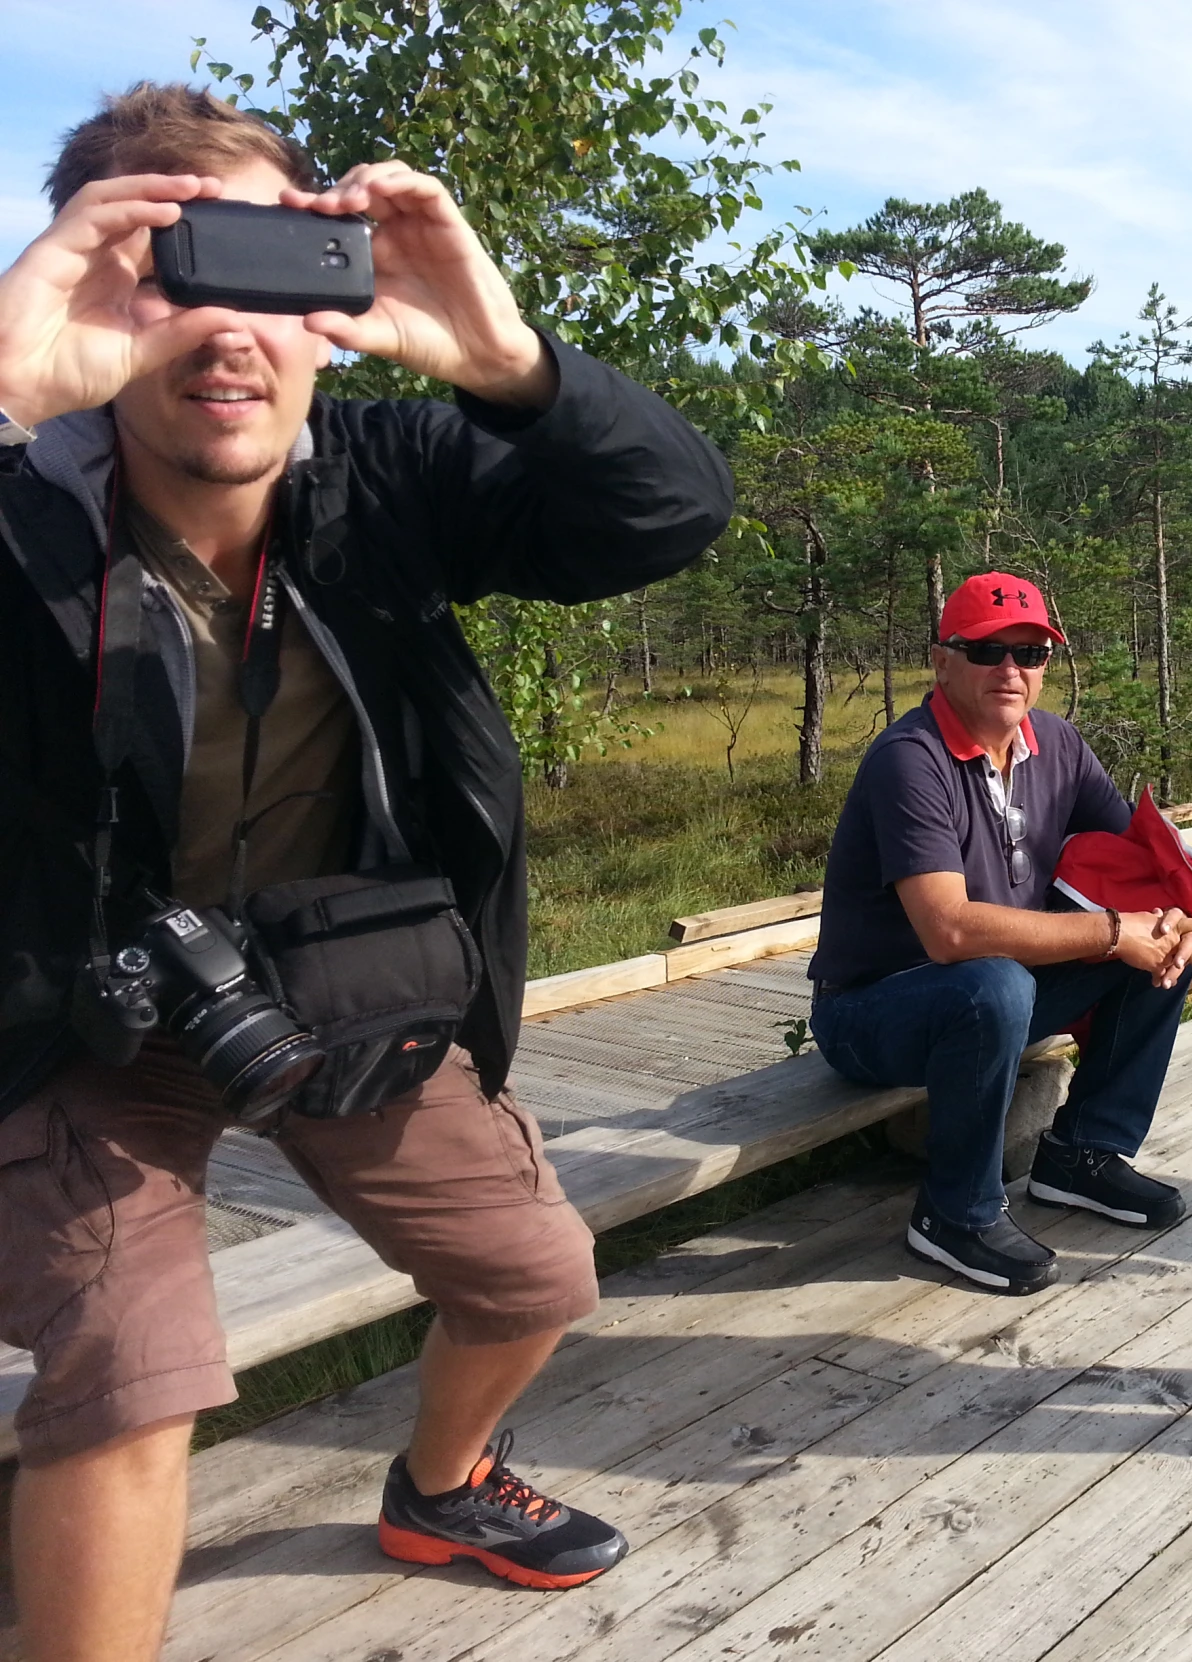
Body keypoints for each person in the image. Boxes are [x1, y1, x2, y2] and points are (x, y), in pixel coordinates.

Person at [0, 84, 733, 1658]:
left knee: (536, 1268)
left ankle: (441, 1481)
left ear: (331, 315)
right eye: (167, 268)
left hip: (332, 979)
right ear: (85, 288)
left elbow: (670, 511)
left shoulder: (385, 479)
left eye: (268, 275)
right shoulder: (16, 504)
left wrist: (512, 366)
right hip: (81, 1017)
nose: (224, 330)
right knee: (137, 1368)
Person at [808, 571, 1192, 1296]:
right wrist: (1114, 928)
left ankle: (1082, 1155)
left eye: (1031, 652)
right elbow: (950, 932)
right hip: (874, 1011)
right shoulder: (911, 759)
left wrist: (1173, 918)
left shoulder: (1055, 743)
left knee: (1157, 947)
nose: (1012, 670)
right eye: (988, 652)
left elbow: (1133, 861)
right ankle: (954, 1211)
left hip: (997, 993)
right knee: (995, 980)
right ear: (942, 660)